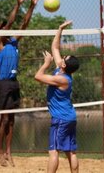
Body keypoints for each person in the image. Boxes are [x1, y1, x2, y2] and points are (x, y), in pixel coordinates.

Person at [0, 0, 39, 167]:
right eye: (3, 28)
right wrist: (18, 4)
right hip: (3, 83)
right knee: (4, 119)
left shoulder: (13, 41)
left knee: (12, 120)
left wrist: (31, 6)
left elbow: (24, 24)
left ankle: (8, 151)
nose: (6, 28)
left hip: (14, 83)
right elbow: (12, 22)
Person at [34, 20, 80, 173]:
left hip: (61, 119)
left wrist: (46, 63)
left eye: (64, 58)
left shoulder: (61, 79)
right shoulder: (61, 70)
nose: (62, 57)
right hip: (69, 117)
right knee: (70, 151)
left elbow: (38, 76)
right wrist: (60, 29)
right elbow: (55, 47)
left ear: (64, 65)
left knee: (54, 151)